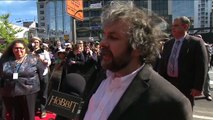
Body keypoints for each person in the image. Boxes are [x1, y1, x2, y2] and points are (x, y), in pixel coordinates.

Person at [80, 1, 193, 120]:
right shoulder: (103, 75)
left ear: (138, 47)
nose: (102, 43)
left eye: (113, 37)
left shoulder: (172, 104)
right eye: (104, 35)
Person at [158, 16, 208, 107]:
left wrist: (197, 87)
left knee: (185, 110)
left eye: (176, 25)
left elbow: (201, 66)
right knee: (168, 109)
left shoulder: (196, 43)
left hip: (186, 86)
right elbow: (162, 64)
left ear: (185, 27)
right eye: (172, 25)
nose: (173, 28)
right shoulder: (168, 44)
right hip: (168, 83)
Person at [0, 40, 44, 120]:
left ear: (25, 49)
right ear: (12, 49)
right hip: (10, 93)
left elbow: (41, 75)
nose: (18, 50)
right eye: (16, 48)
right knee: (14, 116)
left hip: (28, 91)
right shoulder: (4, 60)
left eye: (21, 48)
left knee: (29, 116)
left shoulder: (34, 59)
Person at [31, 36, 51, 118]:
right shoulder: (29, 52)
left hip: (43, 74)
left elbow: (49, 62)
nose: (35, 44)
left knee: (43, 93)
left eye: (37, 42)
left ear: (39, 43)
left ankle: (43, 110)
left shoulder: (44, 52)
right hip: (33, 75)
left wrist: (41, 59)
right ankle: (35, 108)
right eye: (34, 42)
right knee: (34, 93)